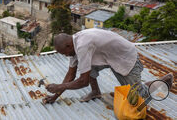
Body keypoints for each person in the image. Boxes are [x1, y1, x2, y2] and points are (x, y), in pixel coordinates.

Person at [43, 28, 173, 104]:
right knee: (87, 68)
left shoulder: (82, 45)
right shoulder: (74, 45)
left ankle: (163, 80)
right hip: (109, 58)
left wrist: (59, 86)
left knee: (138, 97)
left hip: (124, 57)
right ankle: (95, 92)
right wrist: (54, 97)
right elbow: (70, 75)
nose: (65, 56)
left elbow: (83, 82)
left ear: (68, 46)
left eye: (64, 53)